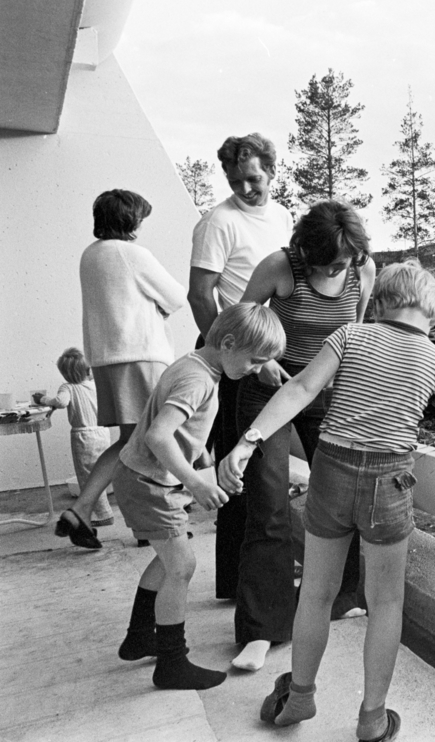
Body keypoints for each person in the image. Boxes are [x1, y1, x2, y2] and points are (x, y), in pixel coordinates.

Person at [219, 261, 435, 741]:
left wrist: (249, 440)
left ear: (379, 304)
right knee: (386, 602)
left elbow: (301, 388)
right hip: (388, 480)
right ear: (434, 315)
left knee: (315, 593)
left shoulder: (350, 336)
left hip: (332, 470)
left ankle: (299, 696)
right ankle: (373, 717)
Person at [230, 200, 377, 672]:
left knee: (341, 495)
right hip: (269, 387)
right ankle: (261, 629)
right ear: (307, 252)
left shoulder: (362, 268)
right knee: (269, 503)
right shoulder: (280, 267)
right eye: (332, 261)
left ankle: (343, 597)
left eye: (349, 260)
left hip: (327, 385)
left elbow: (354, 331)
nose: (343, 268)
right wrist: (265, 358)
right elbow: (241, 321)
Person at [113, 303, 285, 691]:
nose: (257, 370)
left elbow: (185, 433)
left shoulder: (197, 367)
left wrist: (207, 465)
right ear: (227, 343)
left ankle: (140, 636)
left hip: (147, 479)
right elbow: (159, 436)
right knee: (182, 567)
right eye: (255, 361)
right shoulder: (199, 380)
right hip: (149, 483)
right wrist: (196, 483)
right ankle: (171, 662)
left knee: (167, 559)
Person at [188, 133, 292, 598]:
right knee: (237, 468)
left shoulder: (284, 216)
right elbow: (199, 293)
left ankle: (255, 573)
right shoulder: (218, 222)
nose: (247, 189)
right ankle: (234, 580)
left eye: (254, 179)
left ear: (272, 170)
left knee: (262, 464)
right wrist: (234, 355)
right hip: (235, 352)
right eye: (236, 181)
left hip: (261, 350)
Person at [56, 190, 188, 549]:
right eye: (140, 218)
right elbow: (177, 297)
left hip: (105, 360)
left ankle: (83, 509)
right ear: (130, 221)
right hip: (139, 356)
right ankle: (153, 523)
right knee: (154, 438)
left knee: (132, 441)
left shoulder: (90, 255)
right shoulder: (131, 253)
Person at [36, 348, 114, 529]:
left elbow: (61, 402)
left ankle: (102, 514)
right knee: (100, 473)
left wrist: (45, 400)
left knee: (87, 476)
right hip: (102, 432)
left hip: (84, 435)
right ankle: (103, 511)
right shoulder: (95, 385)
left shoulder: (68, 387)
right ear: (87, 371)